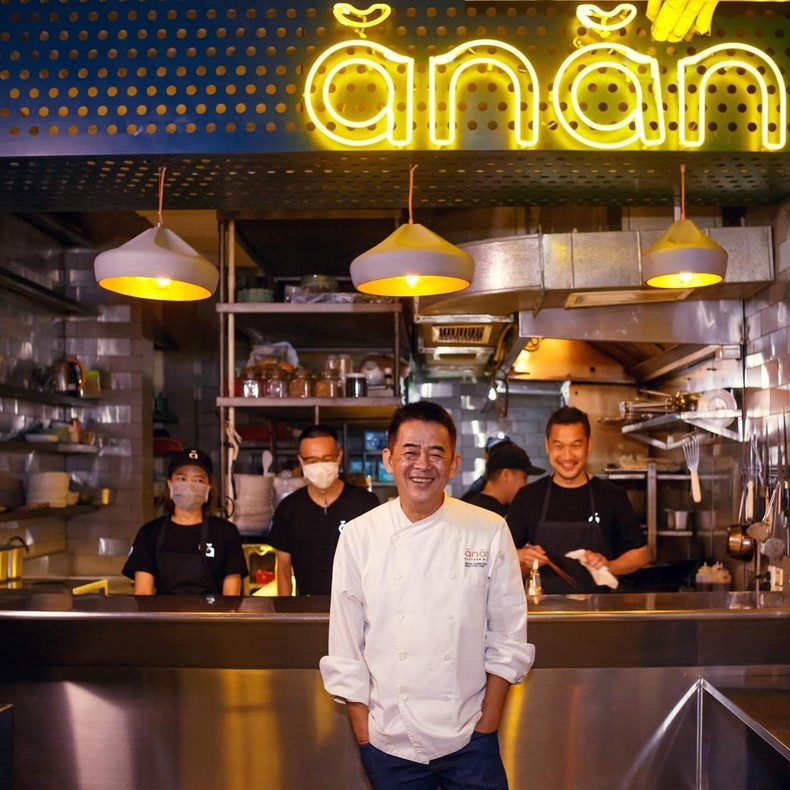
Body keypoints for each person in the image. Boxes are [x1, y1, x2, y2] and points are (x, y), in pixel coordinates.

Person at [320, 402, 533, 789]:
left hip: (471, 738)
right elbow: (346, 645)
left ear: (453, 465)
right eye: (410, 452)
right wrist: (364, 733)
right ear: (388, 459)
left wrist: (487, 723)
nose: (423, 464)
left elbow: (508, 636)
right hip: (388, 741)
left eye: (437, 453)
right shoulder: (359, 536)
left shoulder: (488, 530)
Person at [507, 406, 649, 593]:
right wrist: (522, 555)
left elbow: (641, 554)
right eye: (558, 446)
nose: (567, 456)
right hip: (544, 614)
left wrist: (609, 566)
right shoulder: (528, 497)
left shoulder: (611, 496)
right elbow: (501, 553)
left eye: (576, 445)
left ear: (589, 445)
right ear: (547, 445)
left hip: (598, 614)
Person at [266, 424, 379, 596]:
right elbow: (283, 569)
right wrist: (285, 613)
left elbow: (379, 563)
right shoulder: (289, 508)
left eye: (327, 459)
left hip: (358, 611)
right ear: (301, 460)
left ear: (339, 456)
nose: (320, 466)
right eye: (312, 460)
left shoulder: (365, 504)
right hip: (306, 610)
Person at [123, 448, 248, 595]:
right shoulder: (149, 534)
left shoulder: (226, 533)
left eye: (198, 480)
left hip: (212, 616)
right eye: (182, 479)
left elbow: (231, 597)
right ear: (170, 484)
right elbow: (143, 594)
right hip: (163, 616)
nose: (189, 485)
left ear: (209, 487)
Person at [468, 442, 545, 517]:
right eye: (524, 478)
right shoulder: (496, 516)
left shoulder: (471, 507)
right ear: (506, 474)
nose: (525, 484)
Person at [459, 433, 512, 502]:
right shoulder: (476, 490)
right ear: (485, 456)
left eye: (504, 452)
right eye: (495, 453)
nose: (500, 457)